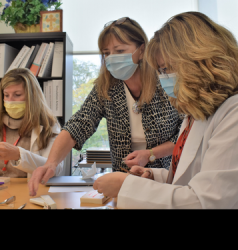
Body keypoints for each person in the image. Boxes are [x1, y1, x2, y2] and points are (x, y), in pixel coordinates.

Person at [93, 11, 238, 209]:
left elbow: (206, 201)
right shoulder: (194, 115)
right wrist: (153, 176)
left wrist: (127, 186)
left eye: (167, 68)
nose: (164, 78)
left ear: (200, 60)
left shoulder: (233, 113)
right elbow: (187, 177)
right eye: (161, 71)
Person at [29, 17, 184, 196]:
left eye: (119, 51)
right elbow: (78, 124)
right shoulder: (106, 87)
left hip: (165, 183)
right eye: (106, 53)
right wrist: (51, 163)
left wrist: (150, 154)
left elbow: (184, 134)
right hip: (122, 183)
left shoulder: (165, 82)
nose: (111, 58)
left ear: (141, 50)